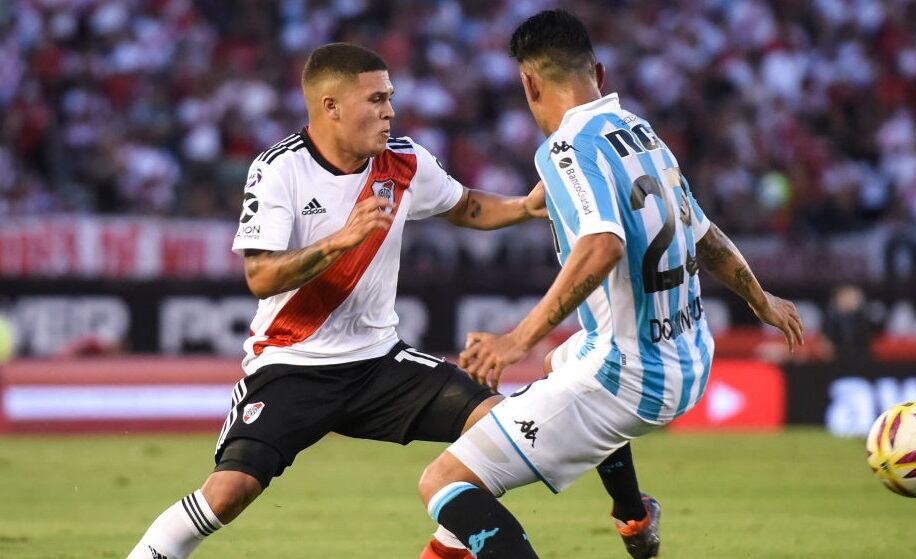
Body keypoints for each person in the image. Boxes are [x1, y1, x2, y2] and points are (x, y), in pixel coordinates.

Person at [126, 42, 647, 559]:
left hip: (380, 365)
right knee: (228, 493)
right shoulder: (279, 169)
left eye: (390, 97)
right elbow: (260, 276)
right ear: (331, 106)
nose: (390, 111)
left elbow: (464, 206)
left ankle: (631, 512)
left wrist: (524, 208)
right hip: (292, 366)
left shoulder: (403, 160)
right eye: (376, 99)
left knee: (507, 431)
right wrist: (339, 241)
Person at [416, 10, 805, 558]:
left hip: (627, 378)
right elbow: (706, 235)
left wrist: (516, 340)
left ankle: (630, 513)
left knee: (444, 481)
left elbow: (602, 246)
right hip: (691, 356)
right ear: (598, 73)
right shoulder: (643, 135)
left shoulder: (565, 149)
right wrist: (760, 299)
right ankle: (633, 516)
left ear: (529, 84)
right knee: (556, 367)